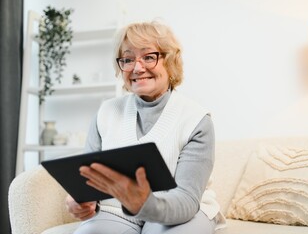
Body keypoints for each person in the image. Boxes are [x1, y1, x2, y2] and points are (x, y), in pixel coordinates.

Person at [65, 21, 224, 234]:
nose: (137, 68)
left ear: (170, 61)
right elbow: (88, 181)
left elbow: (186, 200)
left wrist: (143, 205)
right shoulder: (105, 113)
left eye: (149, 57)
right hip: (117, 213)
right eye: (128, 59)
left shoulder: (196, 120)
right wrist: (80, 199)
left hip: (181, 213)